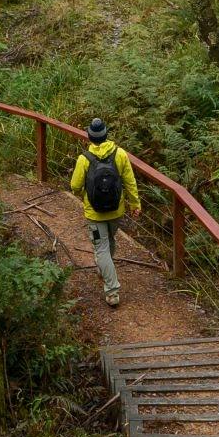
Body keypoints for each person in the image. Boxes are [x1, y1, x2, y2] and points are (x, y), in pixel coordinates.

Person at [66, 117, 142, 307]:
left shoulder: (84, 159)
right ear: (106, 134)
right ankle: (105, 267)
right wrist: (135, 204)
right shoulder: (120, 154)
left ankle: (112, 291)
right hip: (116, 210)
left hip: (94, 213)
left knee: (101, 248)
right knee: (110, 241)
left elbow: (75, 185)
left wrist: (81, 193)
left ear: (90, 137)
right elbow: (130, 182)